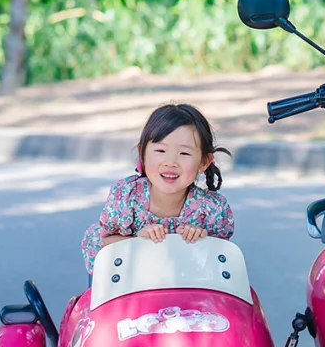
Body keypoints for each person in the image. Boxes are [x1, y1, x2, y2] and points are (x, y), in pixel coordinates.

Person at [81, 102, 234, 274]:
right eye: (161, 150)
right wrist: (136, 241)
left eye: (184, 153)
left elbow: (222, 264)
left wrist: (203, 241)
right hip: (129, 287)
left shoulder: (212, 210)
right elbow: (103, 243)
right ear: (142, 154)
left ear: (204, 162)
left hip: (187, 292)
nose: (170, 162)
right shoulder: (126, 197)